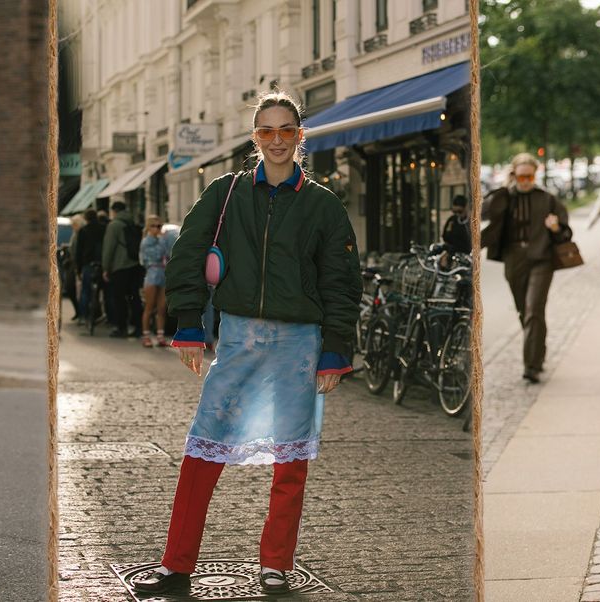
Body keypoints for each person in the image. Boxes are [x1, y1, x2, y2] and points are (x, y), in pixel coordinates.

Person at [131, 90, 361, 596]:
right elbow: (188, 253)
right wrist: (189, 323)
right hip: (238, 338)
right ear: (255, 138)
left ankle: (275, 565)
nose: (277, 140)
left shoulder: (323, 205)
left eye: (286, 131)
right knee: (202, 450)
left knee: (290, 461)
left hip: (301, 343)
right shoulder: (225, 193)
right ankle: (176, 565)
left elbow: (341, 281)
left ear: (300, 137)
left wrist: (336, 350)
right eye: (266, 131)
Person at [481, 152, 573, 383]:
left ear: (535, 175)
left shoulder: (547, 199)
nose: (525, 181)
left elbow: (565, 232)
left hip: (542, 259)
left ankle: (531, 366)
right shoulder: (505, 197)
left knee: (533, 310)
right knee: (525, 311)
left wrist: (554, 228)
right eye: (520, 177)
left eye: (529, 177)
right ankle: (537, 349)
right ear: (514, 175)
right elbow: (485, 211)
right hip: (514, 259)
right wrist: (505, 184)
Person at [101, 200, 143, 338]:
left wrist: (106, 268)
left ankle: (121, 327)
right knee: (134, 297)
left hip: (119, 267)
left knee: (119, 299)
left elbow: (109, 248)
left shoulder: (114, 225)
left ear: (114, 211)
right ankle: (138, 327)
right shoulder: (132, 222)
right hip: (135, 265)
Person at [139, 214, 172, 347]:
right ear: (148, 227)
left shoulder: (160, 240)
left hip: (162, 274)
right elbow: (156, 255)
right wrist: (163, 241)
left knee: (161, 308)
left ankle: (160, 335)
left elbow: (169, 254)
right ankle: (146, 335)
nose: (157, 228)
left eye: (159, 226)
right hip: (152, 274)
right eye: (154, 226)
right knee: (149, 306)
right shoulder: (146, 241)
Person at [74, 208, 105, 324]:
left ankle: (83, 316)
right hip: (101, 263)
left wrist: (78, 268)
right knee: (102, 291)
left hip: (87, 263)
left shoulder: (83, 230)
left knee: (85, 291)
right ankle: (100, 314)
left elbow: (79, 251)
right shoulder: (103, 228)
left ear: (86, 218)